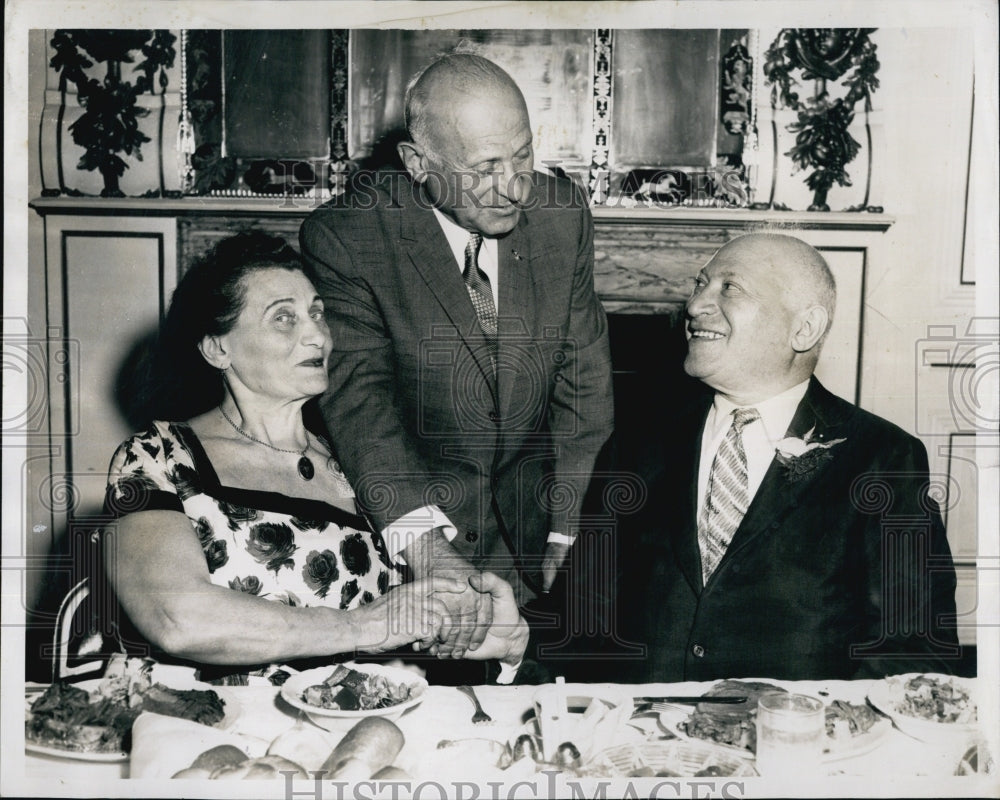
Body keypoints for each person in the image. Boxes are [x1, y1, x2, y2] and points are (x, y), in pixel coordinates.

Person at [476, 232, 962, 682]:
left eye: (730, 288)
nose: (694, 305)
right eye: (700, 285)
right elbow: (584, 611)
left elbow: (914, 650)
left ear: (804, 328)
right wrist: (520, 636)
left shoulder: (882, 458)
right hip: (647, 752)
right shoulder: (640, 443)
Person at [299, 53, 614, 667]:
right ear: (418, 164)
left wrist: (567, 527)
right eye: (484, 168)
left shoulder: (561, 215)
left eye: (522, 156)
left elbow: (585, 384)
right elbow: (361, 407)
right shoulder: (349, 236)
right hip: (412, 542)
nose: (513, 186)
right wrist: (426, 548)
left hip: (533, 534)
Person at [101, 233, 473, 683]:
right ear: (218, 348)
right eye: (284, 318)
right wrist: (363, 627)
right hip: (214, 729)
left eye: (317, 313)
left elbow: (420, 608)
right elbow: (177, 618)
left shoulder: (362, 461)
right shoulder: (157, 457)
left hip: (353, 724)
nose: (317, 334)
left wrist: (477, 618)